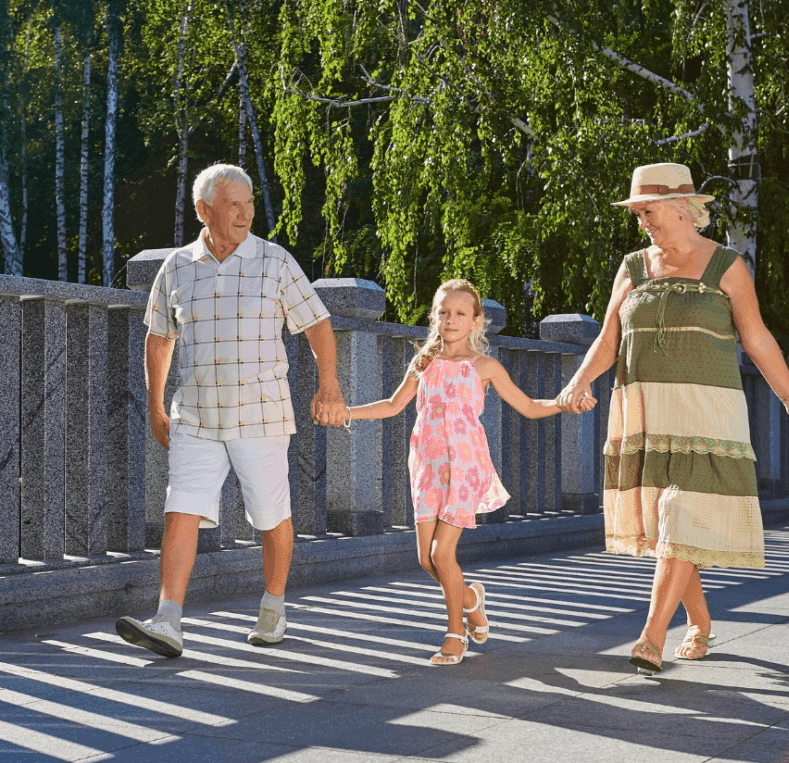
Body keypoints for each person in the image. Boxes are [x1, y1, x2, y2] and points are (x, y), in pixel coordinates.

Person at [558, 162, 789, 674]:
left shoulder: (726, 265)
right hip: (646, 412)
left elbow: (757, 337)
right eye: (636, 213)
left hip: (709, 415)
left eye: (648, 211)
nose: (642, 221)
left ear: (683, 208)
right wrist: (578, 381)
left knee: (681, 517)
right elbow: (609, 339)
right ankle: (699, 622)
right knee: (667, 526)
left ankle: (650, 637)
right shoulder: (633, 267)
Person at [116, 163, 347, 658]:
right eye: (232, 205)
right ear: (204, 211)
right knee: (181, 509)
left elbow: (318, 326)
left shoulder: (275, 261)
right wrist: (157, 406)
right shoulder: (176, 266)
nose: (244, 214)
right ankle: (168, 619)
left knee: (270, 514)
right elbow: (159, 340)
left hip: (261, 413)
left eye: (249, 204)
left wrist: (329, 386)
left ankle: (274, 605)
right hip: (195, 413)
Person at [347, 279, 590, 665]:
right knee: (426, 560)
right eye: (443, 312)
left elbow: (528, 406)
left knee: (442, 552)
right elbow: (393, 405)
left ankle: (455, 633)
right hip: (426, 464)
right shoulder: (423, 361)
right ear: (433, 317)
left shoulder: (484, 366)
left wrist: (565, 405)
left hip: (464, 465)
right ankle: (472, 600)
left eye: (460, 313)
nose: (450, 320)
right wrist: (347, 412)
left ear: (477, 321)